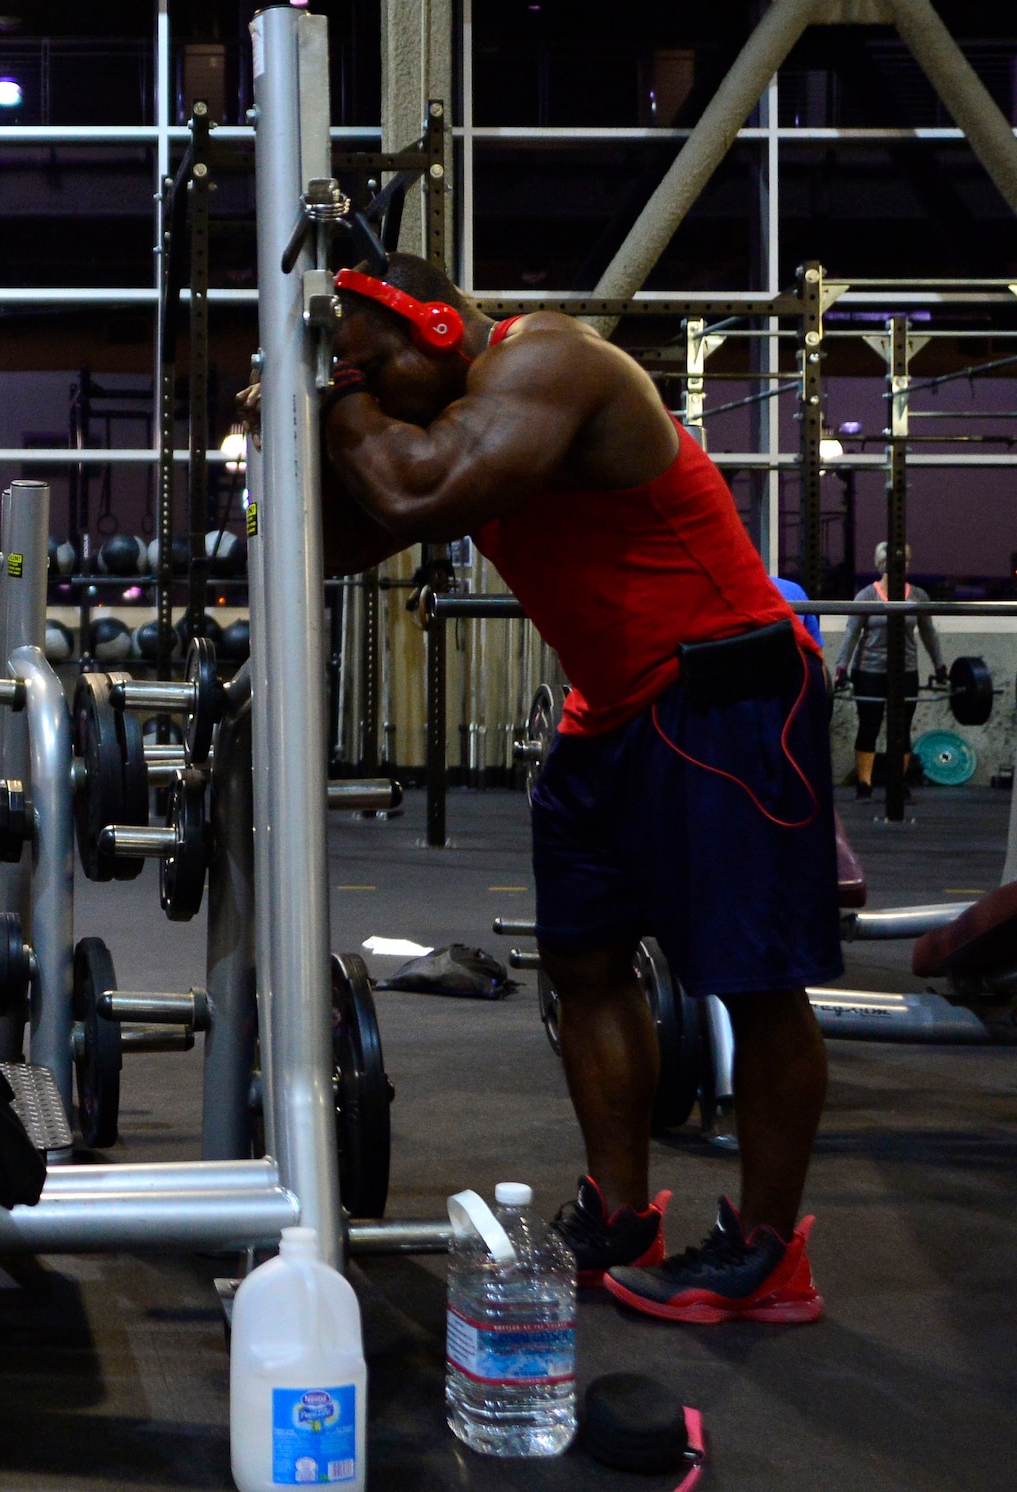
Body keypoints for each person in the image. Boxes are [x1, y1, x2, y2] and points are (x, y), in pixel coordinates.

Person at [301, 253, 836, 1325]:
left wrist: (332, 399)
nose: (363, 392)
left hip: (723, 690)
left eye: (367, 369)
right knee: (583, 964)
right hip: (612, 708)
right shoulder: (468, 415)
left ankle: (769, 1252)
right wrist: (302, 429)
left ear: (436, 336)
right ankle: (618, 1212)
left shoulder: (552, 366)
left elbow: (411, 484)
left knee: (753, 978)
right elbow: (345, 535)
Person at [835, 542, 944, 800]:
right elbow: (851, 635)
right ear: (880, 564)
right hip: (869, 670)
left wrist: (940, 666)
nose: (899, 567)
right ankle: (865, 785)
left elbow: (929, 633)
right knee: (869, 727)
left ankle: (898, 782)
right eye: (892, 562)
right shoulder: (866, 596)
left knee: (902, 729)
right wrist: (841, 668)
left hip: (906, 670)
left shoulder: (917, 596)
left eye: (904, 561)